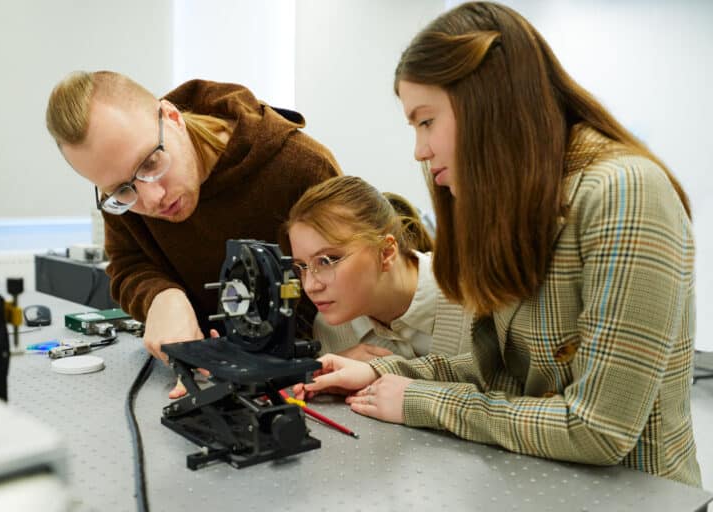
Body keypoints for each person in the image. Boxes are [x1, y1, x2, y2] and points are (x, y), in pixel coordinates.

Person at [299, 1, 701, 486]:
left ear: (486, 102)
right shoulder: (517, 204)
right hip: (541, 482)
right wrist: (381, 373)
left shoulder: (624, 192)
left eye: (426, 122)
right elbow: (495, 372)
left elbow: (596, 429)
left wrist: (419, 400)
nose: (420, 151)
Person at [45, 71, 341, 363]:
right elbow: (128, 265)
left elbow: (345, 280)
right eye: (122, 189)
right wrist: (161, 297)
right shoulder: (123, 199)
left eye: (150, 163)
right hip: (197, 365)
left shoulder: (302, 167)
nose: (152, 198)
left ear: (173, 117)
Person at [286, 175, 470, 362]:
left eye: (327, 261)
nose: (309, 286)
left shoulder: (475, 294)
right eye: (301, 267)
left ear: (386, 252)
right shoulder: (330, 330)